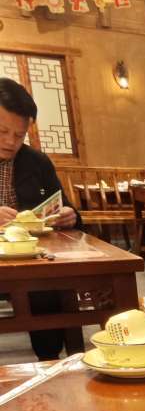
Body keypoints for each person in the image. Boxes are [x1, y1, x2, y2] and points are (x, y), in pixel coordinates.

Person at [0, 77, 82, 360]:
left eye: (19, 135)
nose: (10, 142)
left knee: (47, 289)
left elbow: (64, 207)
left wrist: (70, 216)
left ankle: (50, 361)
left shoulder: (37, 162)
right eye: (2, 132)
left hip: (32, 258)